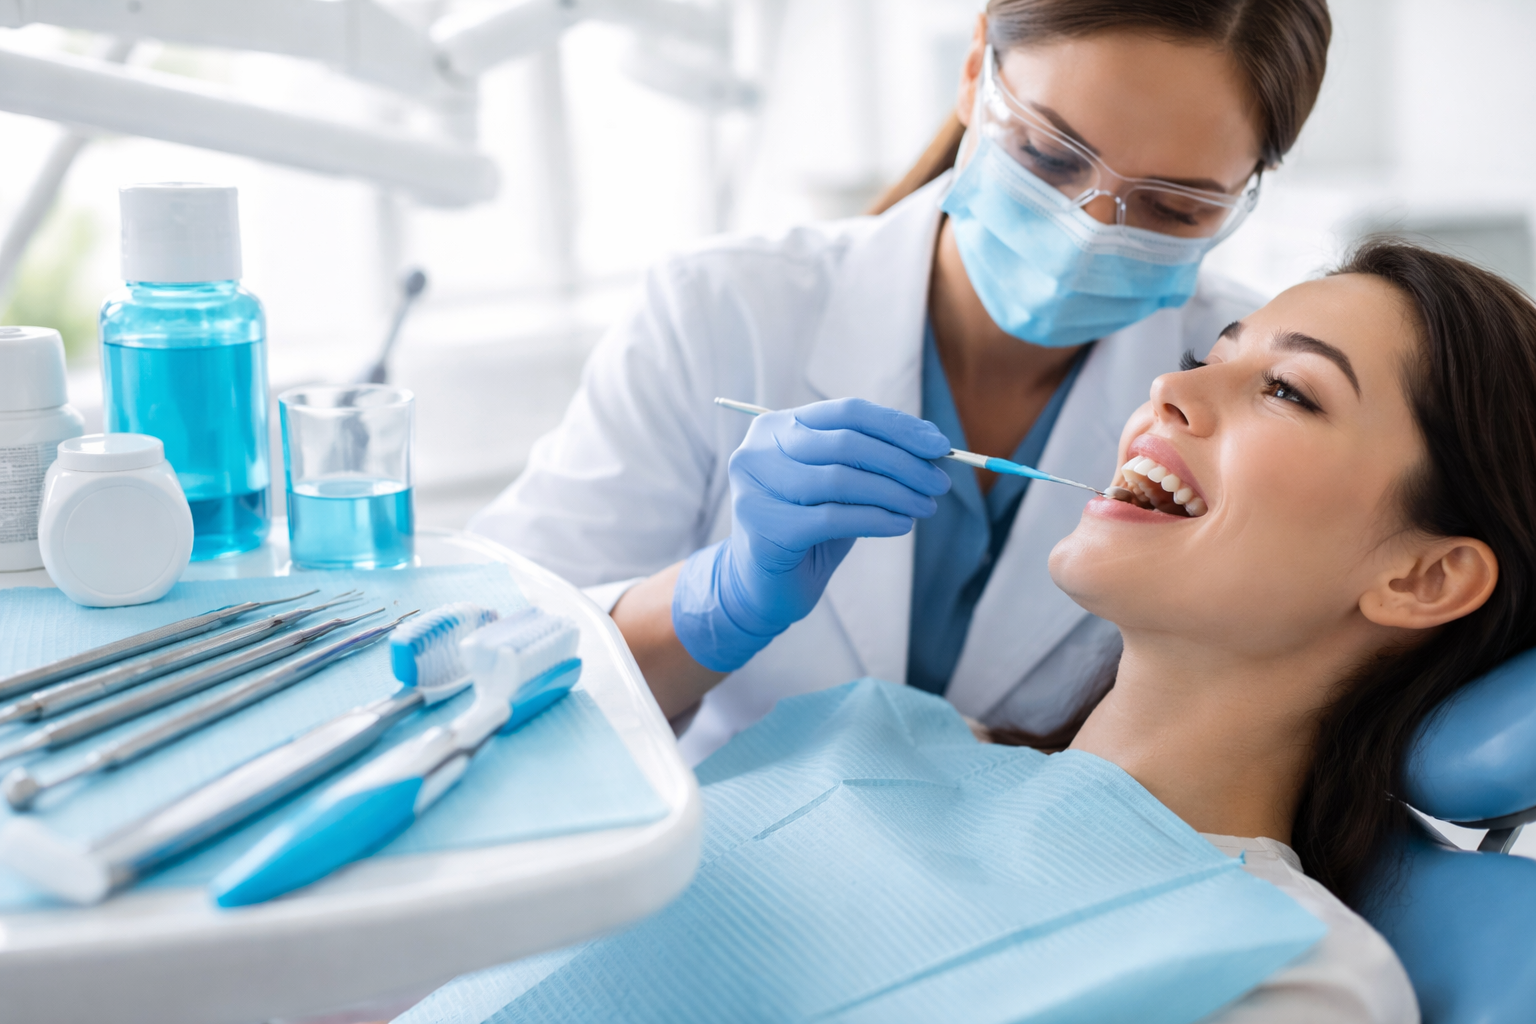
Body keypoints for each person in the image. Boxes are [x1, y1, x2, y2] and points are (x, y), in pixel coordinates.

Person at [411, 241, 1536, 1024]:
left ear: (1426, 575)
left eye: (1288, 391)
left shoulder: (1288, 975)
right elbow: (449, 823)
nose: (1170, 389)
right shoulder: (866, 735)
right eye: (1214, 352)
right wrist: (702, 605)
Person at [471, 0, 1333, 761]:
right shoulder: (722, 311)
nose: (1087, 235)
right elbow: (491, 670)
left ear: (1243, 197)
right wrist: (714, 605)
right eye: (1046, 154)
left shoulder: (1249, 400)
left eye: (1173, 208)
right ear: (973, 73)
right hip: (722, 873)